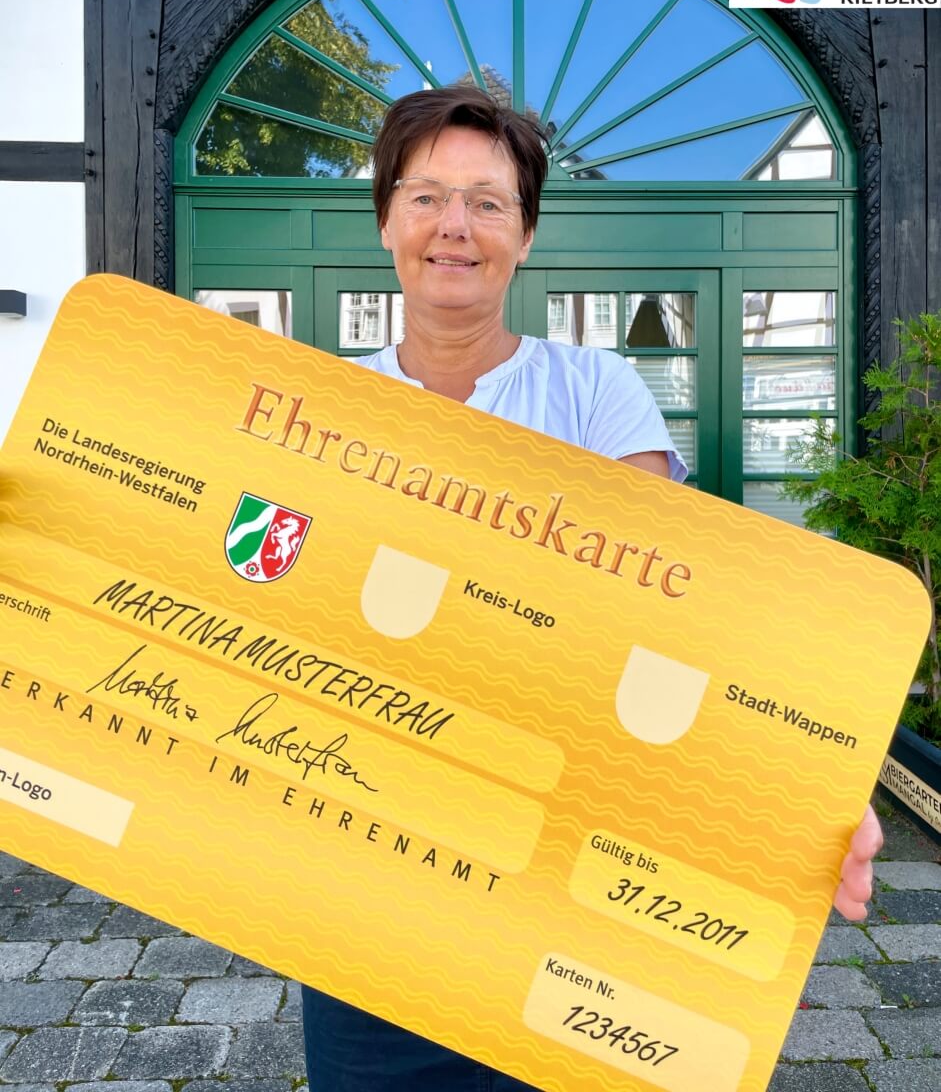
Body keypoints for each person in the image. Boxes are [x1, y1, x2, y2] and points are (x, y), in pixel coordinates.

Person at [301, 85, 883, 1091]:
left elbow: (670, 608)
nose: (454, 225)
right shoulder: (314, 403)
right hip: (366, 865)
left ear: (524, 235)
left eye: (487, 202)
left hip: (562, 856)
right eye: (426, 195)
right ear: (386, 220)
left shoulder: (593, 391)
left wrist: (803, 770)